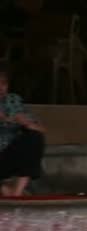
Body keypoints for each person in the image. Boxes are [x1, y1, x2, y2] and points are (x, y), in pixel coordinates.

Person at [0, 66, 45, 196]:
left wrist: (26, 123)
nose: (1, 88)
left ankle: (17, 193)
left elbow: (41, 129)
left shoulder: (13, 100)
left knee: (35, 137)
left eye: (3, 83)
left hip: (8, 156)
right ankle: (5, 190)